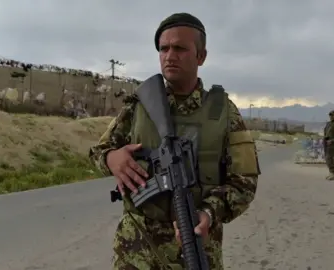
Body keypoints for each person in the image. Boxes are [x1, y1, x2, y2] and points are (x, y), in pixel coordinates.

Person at [89, 12, 261, 269]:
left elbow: (245, 183)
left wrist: (209, 211)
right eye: (164, 49)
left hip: (197, 247)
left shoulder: (224, 112)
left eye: (180, 48)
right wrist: (111, 158)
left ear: (201, 56)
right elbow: (98, 151)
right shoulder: (139, 106)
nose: (170, 56)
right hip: (137, 249)